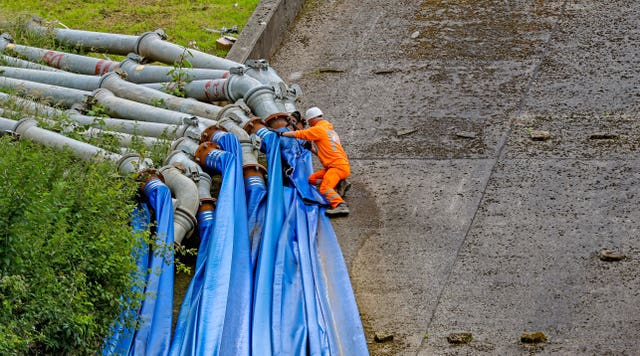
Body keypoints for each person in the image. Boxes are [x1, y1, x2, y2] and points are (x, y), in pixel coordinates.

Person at [278, 107, 351, 216]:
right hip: (338, 166)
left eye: (309, 122)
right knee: (312, 179)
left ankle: (340, 205)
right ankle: (340, 183)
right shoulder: (329, 130)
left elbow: (299, 134)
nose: (309, 124)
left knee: (325, 188)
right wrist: (311, 149)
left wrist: (282, 134)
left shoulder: (318, 129)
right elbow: (323, 152)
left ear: (312, 119)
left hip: (336, 167)